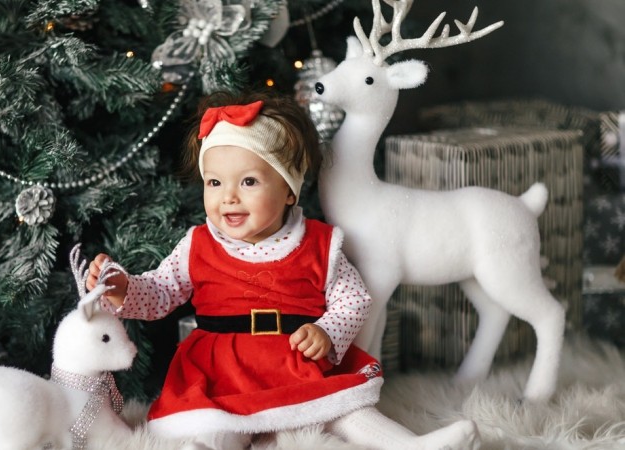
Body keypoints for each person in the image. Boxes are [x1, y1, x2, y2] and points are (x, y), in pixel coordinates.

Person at [86, 91, 479, 450]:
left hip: (294, 359)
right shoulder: (198, 244)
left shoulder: (319, 244)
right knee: (214, 424)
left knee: (347, 412)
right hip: (220, 370)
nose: (229, 197)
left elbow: (353, 299)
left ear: (290, 189)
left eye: (250, 181)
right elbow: (160, 292)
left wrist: (327, 331)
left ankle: (413, 446)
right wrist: (124, 288)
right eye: (215, 182)